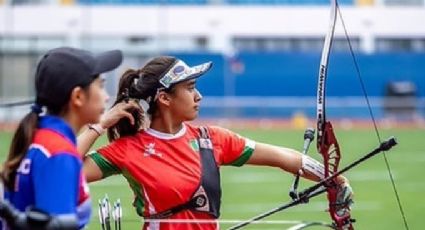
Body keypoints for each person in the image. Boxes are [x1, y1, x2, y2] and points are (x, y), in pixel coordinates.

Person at [78, 56, 353, 230]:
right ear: (164, 98)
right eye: (189, 88)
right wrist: (101, 124)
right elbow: (64, 171)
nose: (198, 96)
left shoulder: (211, 139)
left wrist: (332, 179)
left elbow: (282, 157)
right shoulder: (130, 149)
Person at [0, 47, 123, 230]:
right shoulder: (58, 153)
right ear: (78, 97)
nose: (106, 97)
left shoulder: (38, 137)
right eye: (101, 85)